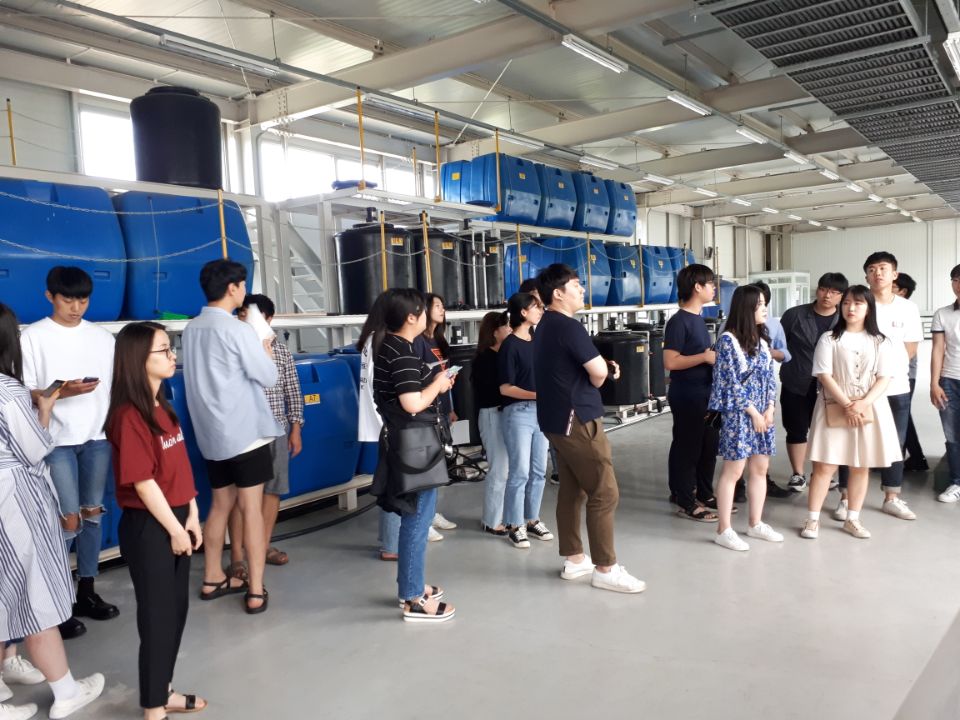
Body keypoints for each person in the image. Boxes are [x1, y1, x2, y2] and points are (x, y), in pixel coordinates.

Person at [0, 302, 104, 720]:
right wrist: (44, 409)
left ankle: (7, 670)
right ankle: (66, 692)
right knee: (36, 590)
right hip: (13, 500)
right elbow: (33, 449)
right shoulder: (7, 390)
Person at [105, 322, 206, 720]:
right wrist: (175, 530)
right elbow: (144, 484)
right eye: (163, 350)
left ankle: (163, 690)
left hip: (177, 517)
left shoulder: (162, 406)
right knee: (157, 617)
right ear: (137, 359)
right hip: (150, 526)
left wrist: (192, 513)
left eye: (170, 347)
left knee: (175, 612)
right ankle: (153, 708)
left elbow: (179, 467)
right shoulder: (128, 416)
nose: (172, 355)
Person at [532, 264, 645, 593]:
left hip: (556, 420)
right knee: (604, 491)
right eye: (576, 285)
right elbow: (596, 373)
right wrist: (604, 372)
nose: (582, 289)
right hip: (578, 418)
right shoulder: (568, 326)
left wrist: (600, 368)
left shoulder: (546, 325)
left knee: (573, 489)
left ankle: (574, 558)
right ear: (558, 293)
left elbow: (572, 367)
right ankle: (606, 568)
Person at [20, 266, 119, 640]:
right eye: (67, 299)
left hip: (97, 436)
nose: (76, 307)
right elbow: (24, 391)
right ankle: (57, 601)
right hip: (55, 441)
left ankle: (87, 590)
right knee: (66, 521)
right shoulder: (33, 337)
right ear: (50, 296)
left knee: (93, 514)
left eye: (83, 300)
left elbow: (115, 385)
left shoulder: (102, 338)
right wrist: (62, 392)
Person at [182, 259, 283, 614]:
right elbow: (268, 377)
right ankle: (255, 590)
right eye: (242, 285)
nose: (244, 291)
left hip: (212, 435)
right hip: (246, 433)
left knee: (219, 505)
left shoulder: (191, 329)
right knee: (251, 510)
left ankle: (212, 578)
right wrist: (266, 350)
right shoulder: (238, 330)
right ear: (232, 289)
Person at [371, 289, 456, 622]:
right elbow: (412, 403)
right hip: (414, 443)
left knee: (418, 515)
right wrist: (438, 384)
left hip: (406, 439)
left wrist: (434, 383)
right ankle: (413, 598)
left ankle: (412, 584)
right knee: (418, 518)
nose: (425, 315)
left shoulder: (390, 346)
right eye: (422, 310)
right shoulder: (403, 352)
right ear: (411, 317)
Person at [800, 287, 899, 540]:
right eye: (846, 303)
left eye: (858, 303)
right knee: (824, 466)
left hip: (869, 407)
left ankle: (852, 518)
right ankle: (812, 519)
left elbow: (884, 377)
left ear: (869, 308)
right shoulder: (829, 338)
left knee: (860, 465)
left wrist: (863, 403)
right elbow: (824, 375)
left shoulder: (881, 341)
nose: (851, 308)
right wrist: (848, 404)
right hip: (834, 405)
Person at [835, 252, 921, 522]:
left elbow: (910, 348)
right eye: (872, 269)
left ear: (895, 274)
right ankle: (845, 498)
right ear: (866, 276)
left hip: (895, 385)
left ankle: (891, 497)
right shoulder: (859, 303)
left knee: (895, 441)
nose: (878, 273)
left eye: (883, 268)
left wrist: (887, 372)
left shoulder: (907, 308)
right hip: (859, 388)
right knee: (850, 440)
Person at [226, 295, 304, 579]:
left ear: (269, 319)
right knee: (240, 495)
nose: (245, 320)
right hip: (244, 433)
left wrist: (296, 428)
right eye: (242, 314)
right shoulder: (234, 350)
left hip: (276, 430)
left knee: (273, 491)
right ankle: (237, 557)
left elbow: (292, 391)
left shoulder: (281, 352)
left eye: (252, 315)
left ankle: (262, 547)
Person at [709, 285, 783, 552]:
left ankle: (755, 523)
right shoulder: (727, 341)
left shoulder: (762, 341)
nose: (765, 309)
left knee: (760, 468)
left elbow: (770, 378)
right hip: (740, 416)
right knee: (734, 471)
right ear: (746, 308)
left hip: (763, 414)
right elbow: (729, 384)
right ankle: (724, 529)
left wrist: (770, 408)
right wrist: (753, 413)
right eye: (759, 304)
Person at [779, 272, 848, 493]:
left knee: (829, 431)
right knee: (796, 429)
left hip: (832, 385)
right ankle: (798, 474)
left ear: (841, 296)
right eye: (824, 289)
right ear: (817, 290)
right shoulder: (794, 315)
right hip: (797, 381)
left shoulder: (846, 318)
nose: (828, 295)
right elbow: (780, 345)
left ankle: (824, 474)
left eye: (835, 292)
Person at [664, 264, 719, 522]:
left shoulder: (698, 319)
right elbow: (670, 362)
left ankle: (703, 493)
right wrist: (704, 358)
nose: (714, 288)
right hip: (687, 394)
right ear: (698, 287)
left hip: (704, 392)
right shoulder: (679, 322)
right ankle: (686, 500)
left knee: (707, 445)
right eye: (710, 284)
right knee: (688, 447)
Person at [499, 293, 553, 548]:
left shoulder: (538, 341)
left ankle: (532, 519)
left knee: (539, 471)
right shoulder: (510, 345)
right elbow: (505, 388)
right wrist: (537, 394)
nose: (540, 311)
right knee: (520, 471)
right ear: (523, 312)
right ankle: (514, 523)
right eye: (536, 307)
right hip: (519, 412)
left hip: (541, 412)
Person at [417, 293, 457, 539]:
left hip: (441, 407)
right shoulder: (418, 341)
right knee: (427, 467)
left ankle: (431, 513)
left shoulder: (439, 340)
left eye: (443, 306)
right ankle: (423, 520)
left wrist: (450, 407)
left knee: (439, 463)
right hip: (425, 409)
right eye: (437, 306)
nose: (442, 309)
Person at [472, 310, 512, 536]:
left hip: (503, 414)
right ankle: (492, 520)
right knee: (499, 469)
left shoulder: (502, 355)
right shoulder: (485, 359)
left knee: (507, 469)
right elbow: (491, 392)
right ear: (494, 332)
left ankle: (502, 515)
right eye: (506, 326)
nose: (510, 329)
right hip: (492, 415)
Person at [892, 273, 929, 472]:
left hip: (905, 374)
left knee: (901, 414)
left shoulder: (907, 310)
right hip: (891, 373)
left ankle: (905, 459)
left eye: (893, 286)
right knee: (901, 415)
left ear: (903, 291)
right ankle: (915, 457)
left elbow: (910, 348)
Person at [931, 264, 960, 502]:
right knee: (953, 436)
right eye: (956, 280)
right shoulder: (943, 314)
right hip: (950, 381)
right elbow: (938, 349)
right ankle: (956, 482)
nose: (959, 285)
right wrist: (934, 383)